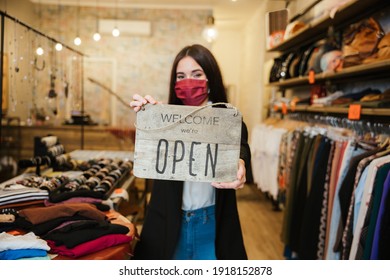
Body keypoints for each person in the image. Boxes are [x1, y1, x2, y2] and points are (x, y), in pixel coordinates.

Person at [129, 44, 251, 260]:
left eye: (197, 74)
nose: (188, 81)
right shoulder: (166, 120)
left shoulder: (228, 119)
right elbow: (150, 151)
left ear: (210, 78)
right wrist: (151, 115)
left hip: (211, 225)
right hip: (167, 224)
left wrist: (240, 163)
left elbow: (241, 146)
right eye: (181, 76)